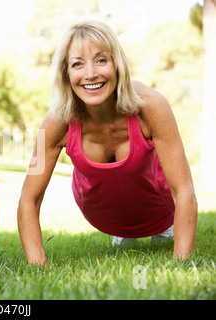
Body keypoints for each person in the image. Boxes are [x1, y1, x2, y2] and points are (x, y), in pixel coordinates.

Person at [17, 20, 198, 267]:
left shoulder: (151, 106)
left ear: (117, 65)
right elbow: (30, 198)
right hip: (101, 213)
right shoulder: (56, 120)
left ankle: (162, 229)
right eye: (77, 64)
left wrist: (182, 262)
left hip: (160, 209)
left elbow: (183, 189)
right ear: (65, 73)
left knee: (164, 227)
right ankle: (122, 232)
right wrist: (38, 267)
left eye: (101, 60)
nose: (90, 73)